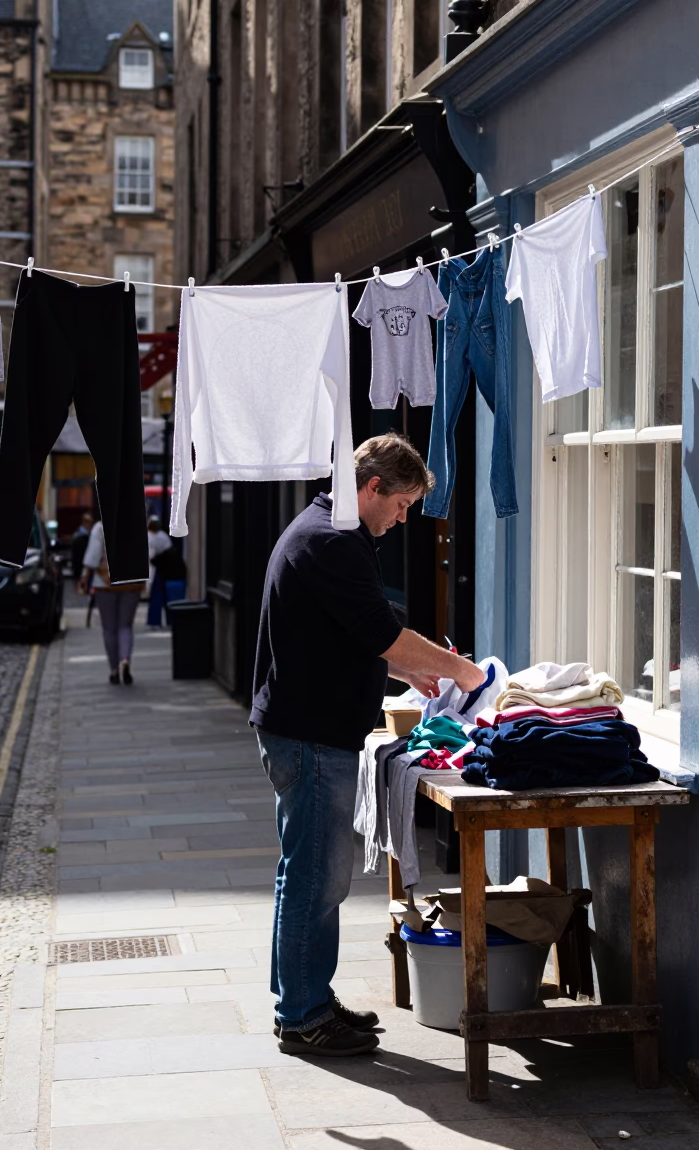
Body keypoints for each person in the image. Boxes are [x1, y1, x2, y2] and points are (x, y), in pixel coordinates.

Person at [251, 433, 485, 1059]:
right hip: (309, 735)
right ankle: (302, 1017)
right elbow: (381, 631)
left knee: (306, 874)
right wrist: (464, 675)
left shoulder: (332, 529)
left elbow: (352, 633)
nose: (404, 518)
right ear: (373, 487)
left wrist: (409, 671)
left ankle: (304, 1000)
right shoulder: (332, 540)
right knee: (315, 878)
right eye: (403, 503)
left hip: (307, 729)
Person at [80, 520, 145, 685]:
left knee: (109, 629)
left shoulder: (100, 527)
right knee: (125, 626)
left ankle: (114, 670)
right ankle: (125, 660)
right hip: (131, 581)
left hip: (105, 581)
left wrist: (85, 577)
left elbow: (92, 557)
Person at [147, 515, 173, 628]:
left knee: (156, 597)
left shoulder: (149, 536)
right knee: (165, 596)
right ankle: (167, 620)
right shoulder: (163, 537)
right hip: (162, 569)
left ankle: (154, 621)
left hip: (157, 569)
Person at [70, 512, 94, 583]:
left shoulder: (90, 534)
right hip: (81, 567)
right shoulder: (78, 536)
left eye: (90, 522)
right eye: (87, 521)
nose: (89, 524)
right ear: (83, 522)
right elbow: (76, 556)